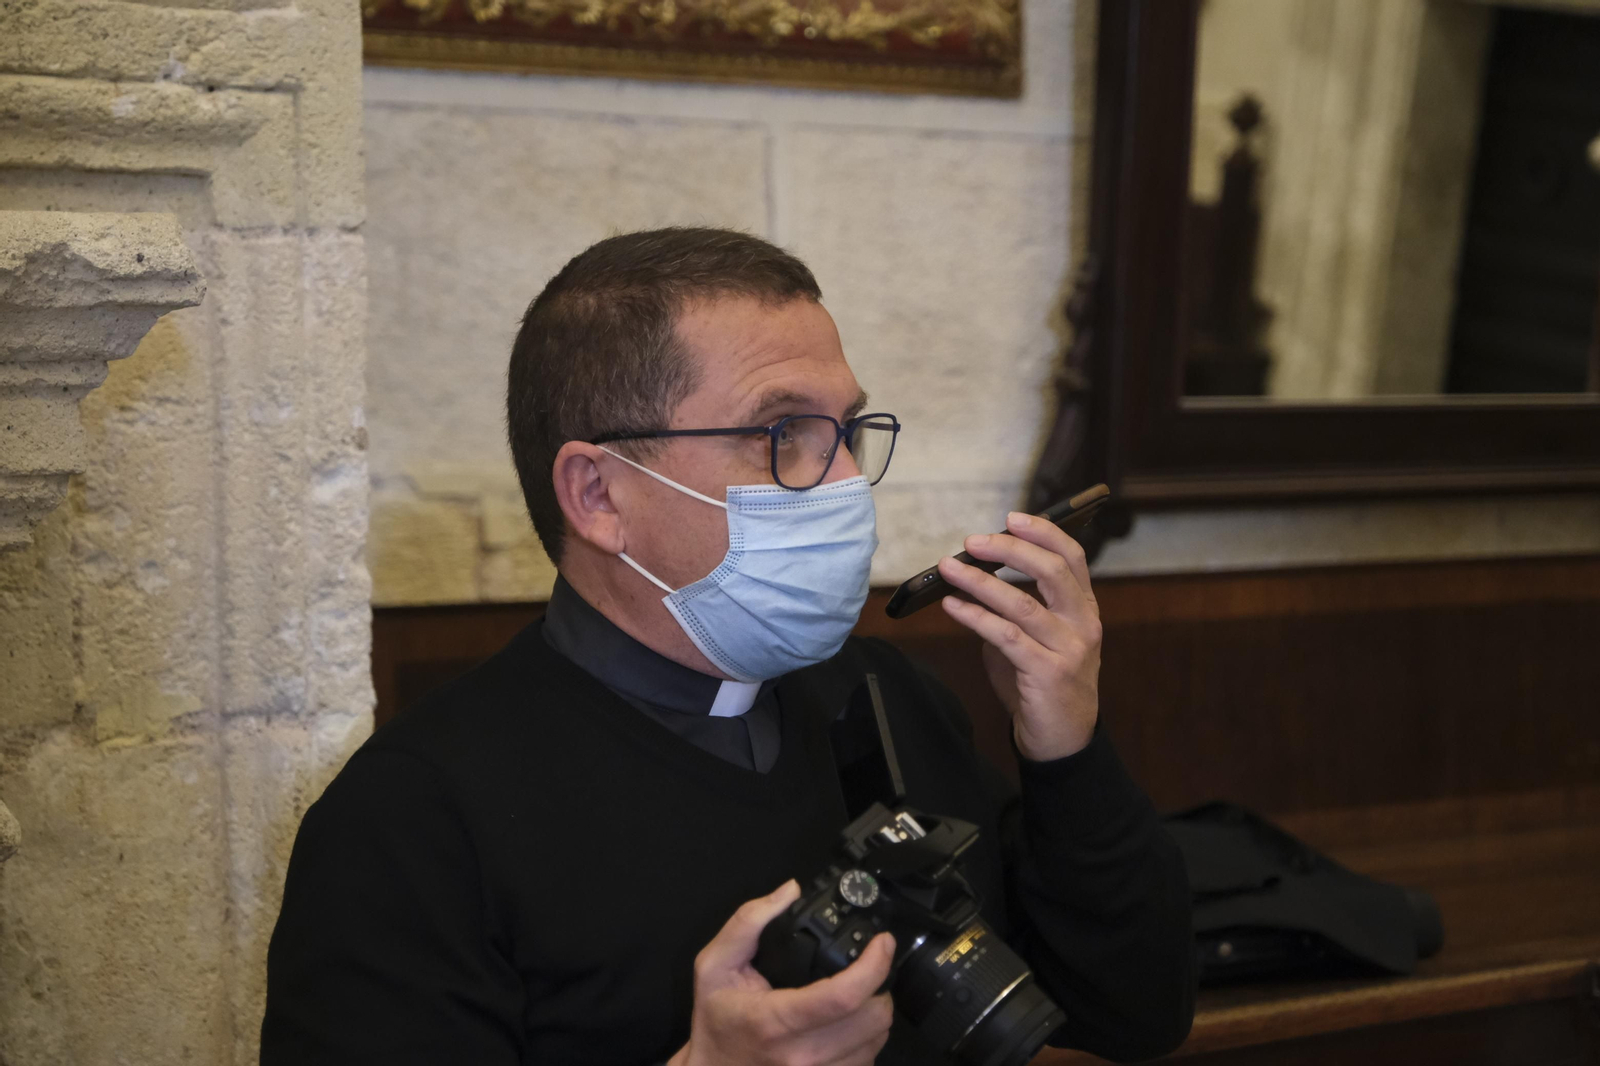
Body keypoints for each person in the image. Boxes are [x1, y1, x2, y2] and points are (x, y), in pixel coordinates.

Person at [260, 228, 1194, 1065]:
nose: (843, 484)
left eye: (848, 433)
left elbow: (1135, 1015)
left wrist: (1065, 745)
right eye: (783, 434)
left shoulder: (881, 698)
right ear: (598, 496)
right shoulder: (409, 823)